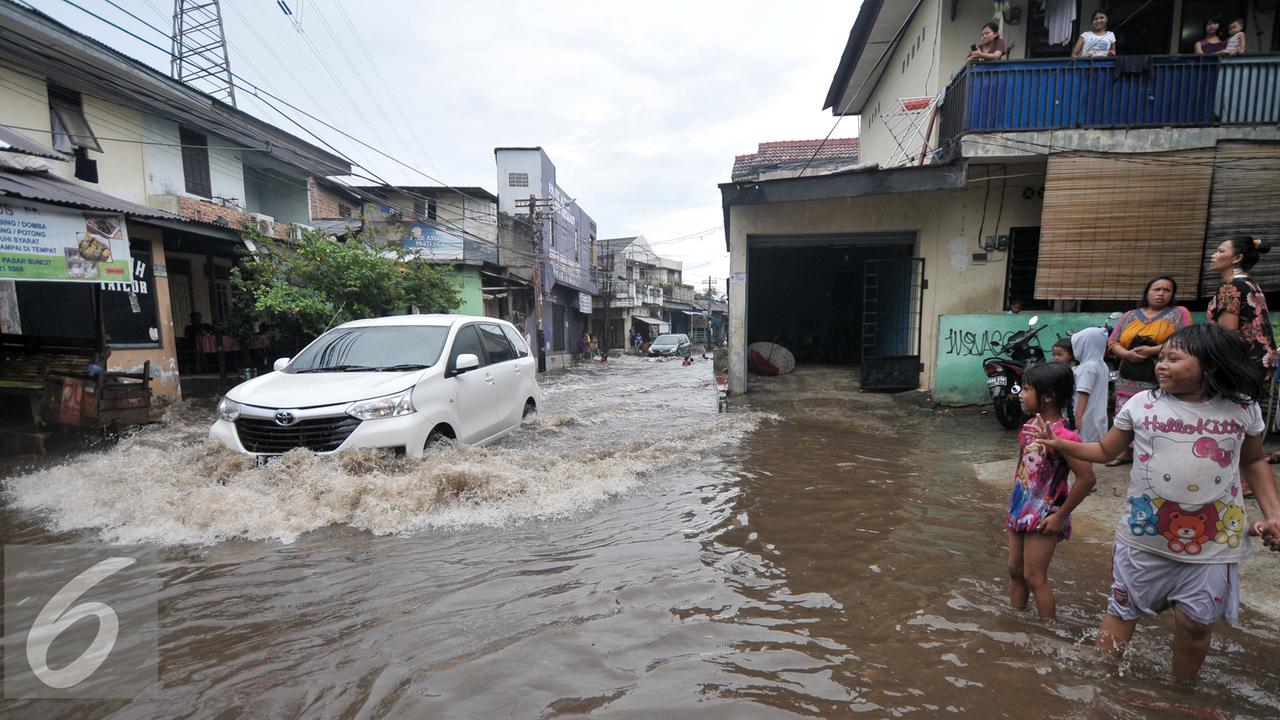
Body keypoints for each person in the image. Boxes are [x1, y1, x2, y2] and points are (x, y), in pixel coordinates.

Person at [1033, 324, 1280, 683]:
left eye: (1173, 358)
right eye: (1160, 357)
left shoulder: (1241, 411)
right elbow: (1105, 451)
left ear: (1209, 366)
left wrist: (1273, 515)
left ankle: (1181, 693)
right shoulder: (1142, 405)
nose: (1161, 365)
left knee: (1195, 625)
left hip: (1212, 544)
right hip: (1143, 538)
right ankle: (1099, 686)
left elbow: (1253, 461)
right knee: (1121, 612)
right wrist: (1061, 443)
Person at [1006, 362, 1096, 621]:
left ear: (1047, 396)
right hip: (1021, 507)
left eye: (1026, 389)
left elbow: (1087, 478)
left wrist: (1060, 516)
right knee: (1015, 570)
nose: (1020, 394)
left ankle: (1048, 633)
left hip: (1047, 513)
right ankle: (1015, 622)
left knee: (1034, 577)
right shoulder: (1028, 428)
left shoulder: (1065, 436)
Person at [1208, 235, 1276, 482]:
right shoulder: (1250, 284)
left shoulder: (1231, 286)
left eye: (1220, 250)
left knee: (1231, 419)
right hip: (1260, 362)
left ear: (1236, 258)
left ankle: (1241, 479)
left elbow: (1226, 335)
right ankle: (1247, 479)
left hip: (1240, 364)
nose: (1213, 255)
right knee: (1248, 418)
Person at [1106, 276, 1193, 465]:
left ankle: (1154, 452)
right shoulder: (1129, 315)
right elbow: (1113, 342)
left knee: (1159, 412)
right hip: (1129, 373)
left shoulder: (1179, 313)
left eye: (1166, 290)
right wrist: (1128, 354)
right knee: (1125, 412)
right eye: (1156, 289)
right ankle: (1125, 452)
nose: (1161, 293)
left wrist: (1152, 351)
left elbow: (1187, 339)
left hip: (1163, 373)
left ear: (1172, 294)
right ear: (1147, 292)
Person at [1071, 327, 1109, 443]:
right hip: (1098, 417)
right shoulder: (1102, 365)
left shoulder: (1087, 367)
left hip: (1085, 418)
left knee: (1083, 450)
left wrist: (1078, 418)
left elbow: (1084, 394)